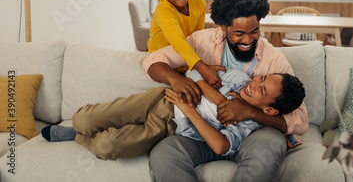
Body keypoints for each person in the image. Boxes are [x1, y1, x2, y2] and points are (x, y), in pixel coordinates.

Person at [144, 0, 309, 182]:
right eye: (239, 33)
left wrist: (250, 112)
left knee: (273, 142)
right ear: (223, 27)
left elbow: (300, 121)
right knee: (165, 151)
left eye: (254, 31)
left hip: (250, 136)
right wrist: (177, 80)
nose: (248, 40)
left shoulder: (274, 59)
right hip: (203, 134)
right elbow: (153, 60)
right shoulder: (202, 42)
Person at [41, 68, 305, 161]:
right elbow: (192, 73)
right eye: (260, 78)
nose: (253, 84)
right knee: (83, 119)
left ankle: (77, 137)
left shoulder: (248, 127)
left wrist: (190, 109)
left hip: (170, 126)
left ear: (269, 109)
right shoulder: (237, 78)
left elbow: (220, 144)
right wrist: (218, 96)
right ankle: (78, 128)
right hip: (160, 99)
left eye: (261, 90)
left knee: (106, 146)